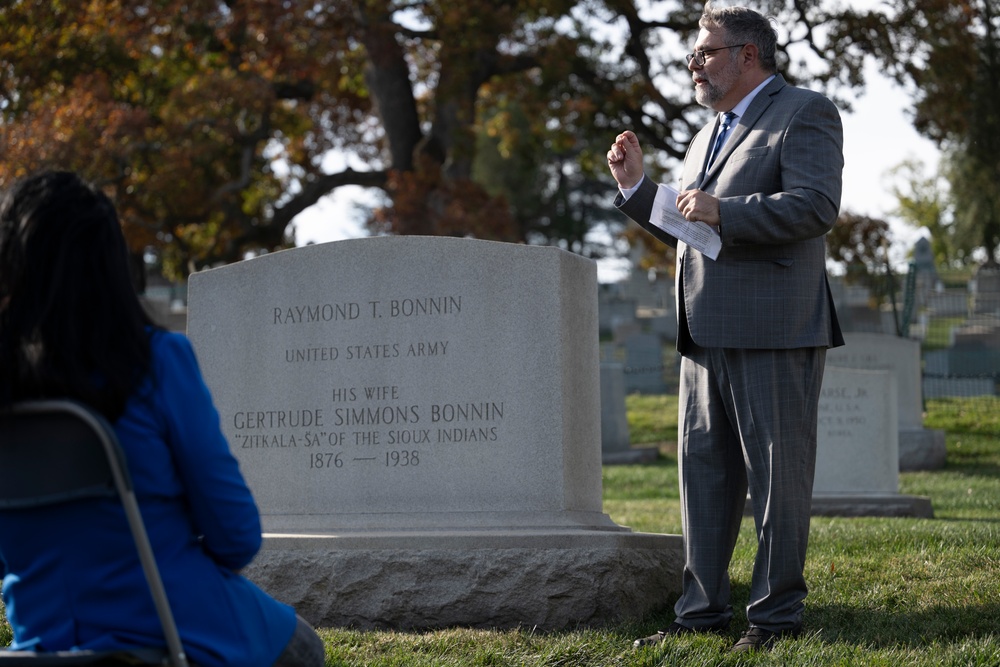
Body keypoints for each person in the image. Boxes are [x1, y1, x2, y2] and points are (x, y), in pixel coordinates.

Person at [0, 170, 325, 666]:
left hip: (44, 638)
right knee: (303, 648)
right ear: (110, 265)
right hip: (175, 632)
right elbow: (236, 537)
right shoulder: (156, 362)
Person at [606, 2, 845, 654]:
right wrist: (638, 191)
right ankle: (700, 615)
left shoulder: (805, 111)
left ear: (748, 54)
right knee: (705, 482)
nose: (693, 65)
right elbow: (693, 226)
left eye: (705, 52)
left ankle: (774, 619)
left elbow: (816, 205)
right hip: (702, 329)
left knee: (777, 480)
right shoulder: (703, 133)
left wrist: (725, 209)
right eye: (693, 55)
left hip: (774, 324)